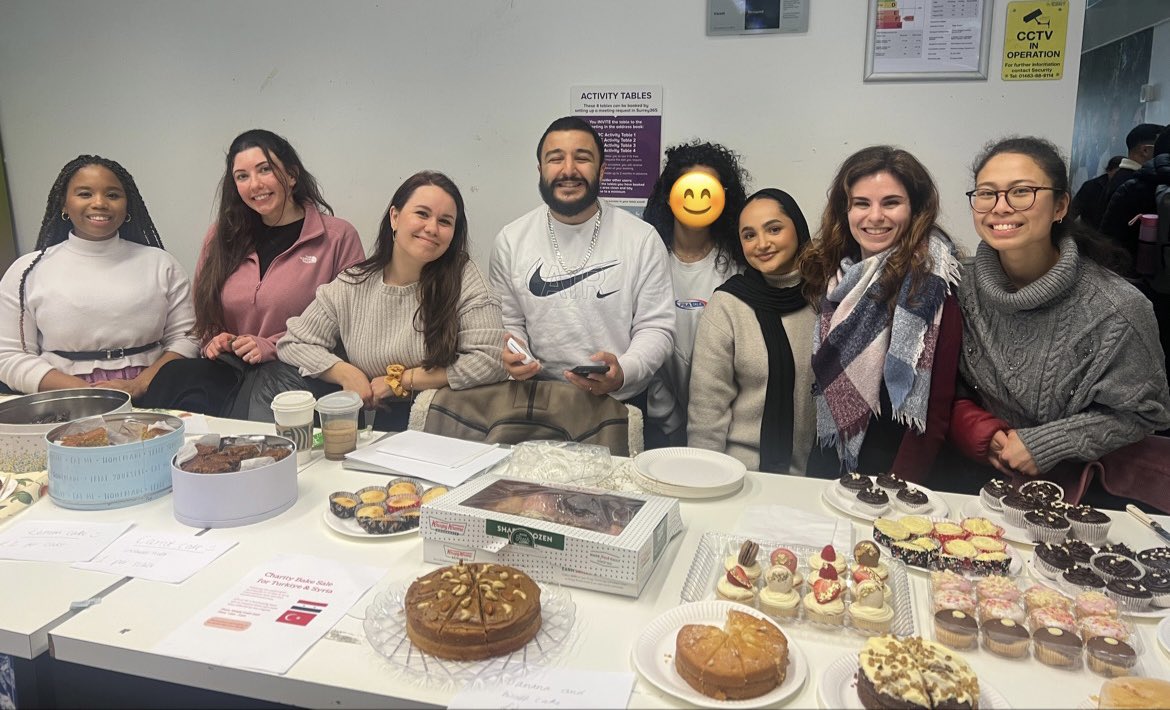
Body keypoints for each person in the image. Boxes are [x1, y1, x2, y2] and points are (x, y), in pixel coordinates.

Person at [948, 136, 1170, 504]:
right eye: (987, 193)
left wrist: (1049, 443)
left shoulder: (1118, 309)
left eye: (1022, 192)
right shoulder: (957, 286)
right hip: (970, 485)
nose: (1000, 207)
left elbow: (1147, 411)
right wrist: (978, 430)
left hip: (1082, 498)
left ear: (1060, 206)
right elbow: (941, 383)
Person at [140, 129, 365, 419]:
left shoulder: (337, 237)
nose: (255, 184)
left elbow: (347, 330)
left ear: (292, 175)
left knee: (263, 400)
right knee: (173, 378)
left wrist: (272, 345)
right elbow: (205, 312)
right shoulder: (220, 236)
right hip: (232, 368)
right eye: (242, 176)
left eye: (265, 170)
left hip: (302, 372)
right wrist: (216, 340)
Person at [277, 170, 507, 431]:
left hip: (446, 424)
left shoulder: (466, 277)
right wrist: (345, 372)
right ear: (394, 217)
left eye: (445, 221)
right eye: (422, 214)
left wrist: (401, 380)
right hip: (376, 425)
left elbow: (491, 360)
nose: (432, 228)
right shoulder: (354, 282)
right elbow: (293, 342)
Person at [489, 116, 674, 415]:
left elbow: (657, 327)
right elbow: (509, 322)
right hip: (538, 398)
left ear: (602, 170)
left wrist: (623, 371)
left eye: (582, 158)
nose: (569, 170)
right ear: (540, 170)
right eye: (555, 158)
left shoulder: (641, 238)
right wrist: (513, 356)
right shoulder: (511, 240)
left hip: (620, 403)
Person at [800, 146, 963, 481]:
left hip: (899, 471)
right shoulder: (835, 276)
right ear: (845, 210)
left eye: (891, 202)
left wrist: (898, 484)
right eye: (862, 203)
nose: (875, 217)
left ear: (915, 209)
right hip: (834, 457)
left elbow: (934, 412)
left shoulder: (932, 281)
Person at [0, 155, 198, 396]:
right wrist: (88, 393)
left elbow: (187, 338)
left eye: (113, 195)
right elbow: (9, 356)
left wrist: (138, 385)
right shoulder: (27, 271)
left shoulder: (161, 264)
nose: (100, 203)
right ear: (64, 204)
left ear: (127, 205)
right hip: (63, 401)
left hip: (155, 395)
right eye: (85, 194)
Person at [688, 188, 816, 473]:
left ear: (798, 228)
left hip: (816, 479)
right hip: (739, 474)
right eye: (749, 235)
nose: (762, 243)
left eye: (774, 229)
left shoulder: (828, 300)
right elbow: (707, 412)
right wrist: (704, 477)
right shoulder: (728, 305)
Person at [641, 140, 749, 448]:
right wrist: (671, 421)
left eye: (709, 189)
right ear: (670, 193)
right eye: (688, 188)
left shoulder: (740, 264)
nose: (698, 198)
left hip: (727, 427)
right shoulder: (648, 258)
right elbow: (645, 347)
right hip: (660, 426)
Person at [1070, 154, 1123, 229]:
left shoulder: (1127, 188)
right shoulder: (1090, 186)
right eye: (1118, 173)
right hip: (1089, 233)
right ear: (1108, 171)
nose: (1120, 177)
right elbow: (1073, 211)